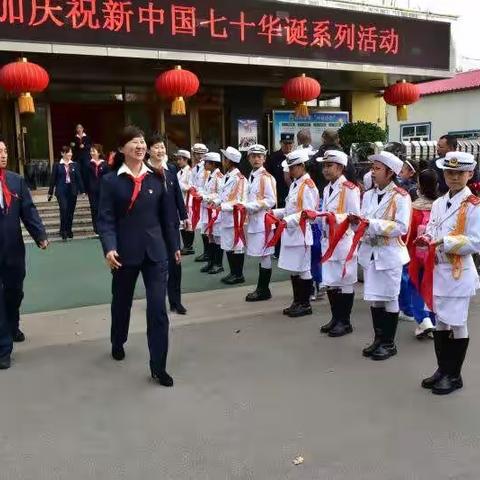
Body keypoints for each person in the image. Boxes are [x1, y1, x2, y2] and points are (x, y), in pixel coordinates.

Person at [97, 126, 179, 386]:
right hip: (123, 254)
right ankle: (117, 339)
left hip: (156, 253)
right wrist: (109, 247)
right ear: (122, 149)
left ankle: (158, 366)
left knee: (158, 310)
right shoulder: (111, 181)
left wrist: (174, 245)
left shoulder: (157, 178)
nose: (141, 146)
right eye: (134, 142)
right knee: (121, 303)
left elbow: (168, 217)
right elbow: (106, 219)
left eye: (142, 142)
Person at [417, 151, 480, 395]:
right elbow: (432, 228)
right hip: (438, 269)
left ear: (470, 174)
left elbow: (475, 242)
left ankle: (454, 375)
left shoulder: (474, 205)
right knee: (441, 321)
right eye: (449, 172)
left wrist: (445, 241)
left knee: (457, 322)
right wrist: (427, 236)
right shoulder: (439, 203)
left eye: (459, 173)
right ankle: (442, 370)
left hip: (457, 271)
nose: (453, 177)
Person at [352, 151, 411, 361]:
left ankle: (389, 343)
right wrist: (356, 223)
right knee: (375, 298)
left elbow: (401, 227)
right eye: (373, 168)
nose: (373, 172)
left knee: (389, 297)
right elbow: (363, 218)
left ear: (390, 173)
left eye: (377, 169)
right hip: (371, 253)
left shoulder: (401, 197)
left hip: (389, 254)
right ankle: (378, 339)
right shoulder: (368, 194)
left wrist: (371, 224)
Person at [0, 137, 48, 344]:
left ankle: (13, 325)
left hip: (13, 249)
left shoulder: (15, 180)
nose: (3, 155)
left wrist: (40, 235)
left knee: (14, 292)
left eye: (4, 151)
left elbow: (28, 211)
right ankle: (3, 342)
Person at [316, 150, 361, 337]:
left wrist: (332, 217)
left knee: (345, 282)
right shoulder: (327, 188)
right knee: (332, 281)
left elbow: (355, 219)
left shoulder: (350, 189)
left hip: (343, 242)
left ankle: (345, 321)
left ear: (340, 167)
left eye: (329, 165)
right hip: (328, 241)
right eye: (324, 166)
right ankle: (335, 318)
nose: (325, 169)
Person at [273, 149, 320, 317]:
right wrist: (276, 213)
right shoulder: (296, 183)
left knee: (303, 269)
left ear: (302, 166)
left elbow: (307, 213)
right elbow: (290, 209)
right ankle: (297, 301)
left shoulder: (307, 185)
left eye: (293, 167)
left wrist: (286, 220)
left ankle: (305, 303)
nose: (290, 171)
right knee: (294, 268)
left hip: (301, 232)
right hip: (291, 232)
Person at [147, 134, 188, 315]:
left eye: (162, 147)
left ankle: (175, 301)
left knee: (175, 264)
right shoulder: (144, 170)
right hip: (152, 226)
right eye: (156, 147)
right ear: (149, 150)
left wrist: (184, 215)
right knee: (155, 265)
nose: (160, 150)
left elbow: (177, 194)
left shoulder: (170, 169)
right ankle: (156, 302)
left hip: (171, 225)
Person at [406, 169, 438, 338]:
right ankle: (432, 319)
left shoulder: (415, 208)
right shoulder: (440, 206)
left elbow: (408, 233)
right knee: (431, 286)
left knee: (416, 286)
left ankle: (423, 320)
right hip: (434, 254)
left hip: (416, 254)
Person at [244, 144, 277, 301]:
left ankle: (263, 289)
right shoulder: (251, 176)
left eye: (259, 156)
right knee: (262, 255)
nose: (256, 159)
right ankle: (262, 288)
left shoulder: (266, 177)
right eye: (253, 156)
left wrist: (250, 206)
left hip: (263, 221)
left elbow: (271, 200)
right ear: (249, 158)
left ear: (264, 158)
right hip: (254, 221)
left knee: (265, 255)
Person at [217, 146, 248, 285]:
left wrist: (223, 206)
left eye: (225, 159)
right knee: (228, 245)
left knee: (237, 247)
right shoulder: (226, 177)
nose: (223, 161)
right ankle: (233, 272)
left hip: (235, 217)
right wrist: (216, 201)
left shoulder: (239, 179)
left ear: (230, 161)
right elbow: (222, 195)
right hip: (225, 216)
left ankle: (238, 274)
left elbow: (240, 201)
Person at [266, 133, 294, 258]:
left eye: (290, 143)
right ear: (280, 143)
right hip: (278, 195)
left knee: (291, 223)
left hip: (293, 196)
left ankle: (289, 250)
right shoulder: (273, 157)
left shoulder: (295, 158)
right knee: (277, 224)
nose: (288, 146)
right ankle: (277, 250)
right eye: (285, 143)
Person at [48, 146, 85, 240]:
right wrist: (50, 192)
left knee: (70, 211)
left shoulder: (75, 165)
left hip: (72, 190)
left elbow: (79, 178)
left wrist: (82, 191)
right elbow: (53, 179)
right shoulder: (57, 165)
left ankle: (69, 229)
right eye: (68, 152)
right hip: (61, 190)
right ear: (63, 153)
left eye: (71, 152)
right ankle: (63, 230)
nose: (70, 154)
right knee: (64, 209)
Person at [198, 152, 224, 275]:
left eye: (206, 162)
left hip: (215, 211)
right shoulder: (209, 175)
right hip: (207, 210)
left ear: (213, 163)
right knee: (210, 237)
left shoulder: (219, 176)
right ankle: (211, 262)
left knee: (217, 237)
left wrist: (205, 196)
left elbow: (220, 194)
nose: (204, 164)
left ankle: (218, 264)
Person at [190, 143, 210, 262]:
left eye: (201, 153)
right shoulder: (194, 168)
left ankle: (208, 254)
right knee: (203, 227)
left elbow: (207, 186)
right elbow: (193, 183)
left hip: (205, 200)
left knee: (207, 228)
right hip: (198, 200)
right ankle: (206, 252)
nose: (198, 156)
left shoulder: (207, 169)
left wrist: (198, 193)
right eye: (196, 153)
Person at [175, 149, 195, 255]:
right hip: (181, 200)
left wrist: (178, 185)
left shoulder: (190, 172)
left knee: (189, 224)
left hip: (188, 200)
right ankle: (186, 245)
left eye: (180, 159)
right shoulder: (179, 173)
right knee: (182, 224)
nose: (178, 162)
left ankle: (189, 246)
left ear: (186, 160)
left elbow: (191, 187)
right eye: (177, 159)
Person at [86, 144, 109, 234]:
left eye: (93, 151)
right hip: (92, 191)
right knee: (94, 209)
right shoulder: (88, 164)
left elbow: (108, 177)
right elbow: (85, 178)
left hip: (103, 190)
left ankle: (103, 226)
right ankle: (96, 229)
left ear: (99, 152)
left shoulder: (105, 164)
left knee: (102, 209)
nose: (91, 153)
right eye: (91, 151)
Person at [71, 124, 92, 190]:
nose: (79, 129)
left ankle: (86, 188)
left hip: (86, 156)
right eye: (78, 128)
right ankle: (80, 189)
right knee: (78, 172)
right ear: (76, 130)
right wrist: (74, 145)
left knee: (86, 171)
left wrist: (84, 146)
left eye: (80, 128)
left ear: (83, 129)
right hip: (78, 157)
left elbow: (91, 146)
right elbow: (72, 146)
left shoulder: (87, 137)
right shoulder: (74, 138)